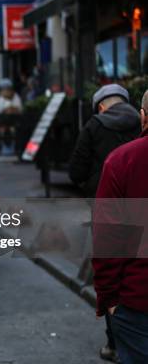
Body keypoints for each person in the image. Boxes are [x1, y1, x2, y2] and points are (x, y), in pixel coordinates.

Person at [92, 90, 148, 364]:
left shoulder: (123, 160)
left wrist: (109, 298)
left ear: (143, 117)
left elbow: (108, 239)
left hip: (138, 299)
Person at [69, 84, 140, 197]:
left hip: (102, 197)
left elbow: (77, 171)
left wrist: (89, 184)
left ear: (101, 108)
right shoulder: (141, 122)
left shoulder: (93, 126)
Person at [0, 78, 23, 156]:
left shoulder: (16, 96)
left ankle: (13, 148)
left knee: (13, 129)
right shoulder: (1, 98)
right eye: (4, 89)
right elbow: (0, 110)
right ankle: (3, 147)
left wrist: (11, 109)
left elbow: (19, 109)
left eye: (7, 89)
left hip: (14, 121)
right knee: (1, 129)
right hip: (2, 120)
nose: (5, 91)